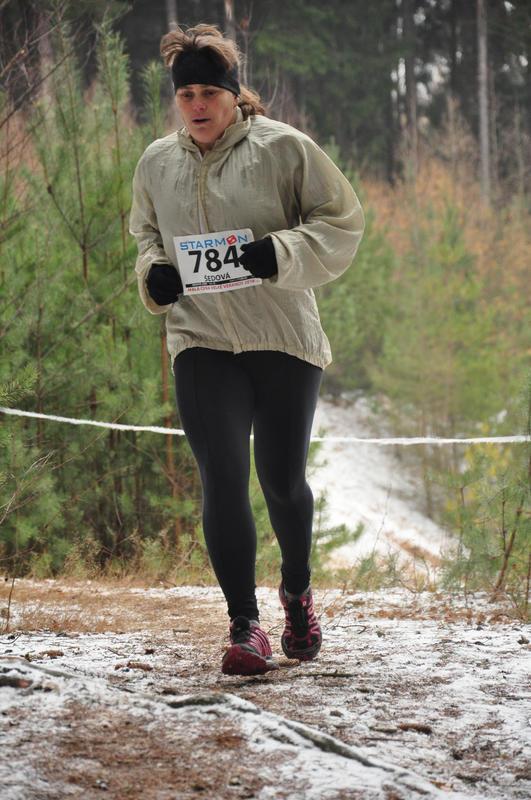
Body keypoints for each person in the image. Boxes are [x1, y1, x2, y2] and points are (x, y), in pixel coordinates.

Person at [129, 23, 365, 676]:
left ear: (234, 93)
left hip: (282, 337)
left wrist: (279, 252)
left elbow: (341, 221)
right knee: (223, 478)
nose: (197, 105)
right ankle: (244, 626)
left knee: (282, 482)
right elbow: (146, 235)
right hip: (201, 339)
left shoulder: (284, 148)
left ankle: (296, 593)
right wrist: (154, 274)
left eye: (209, 92)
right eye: (186, 95)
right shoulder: (156, 163)